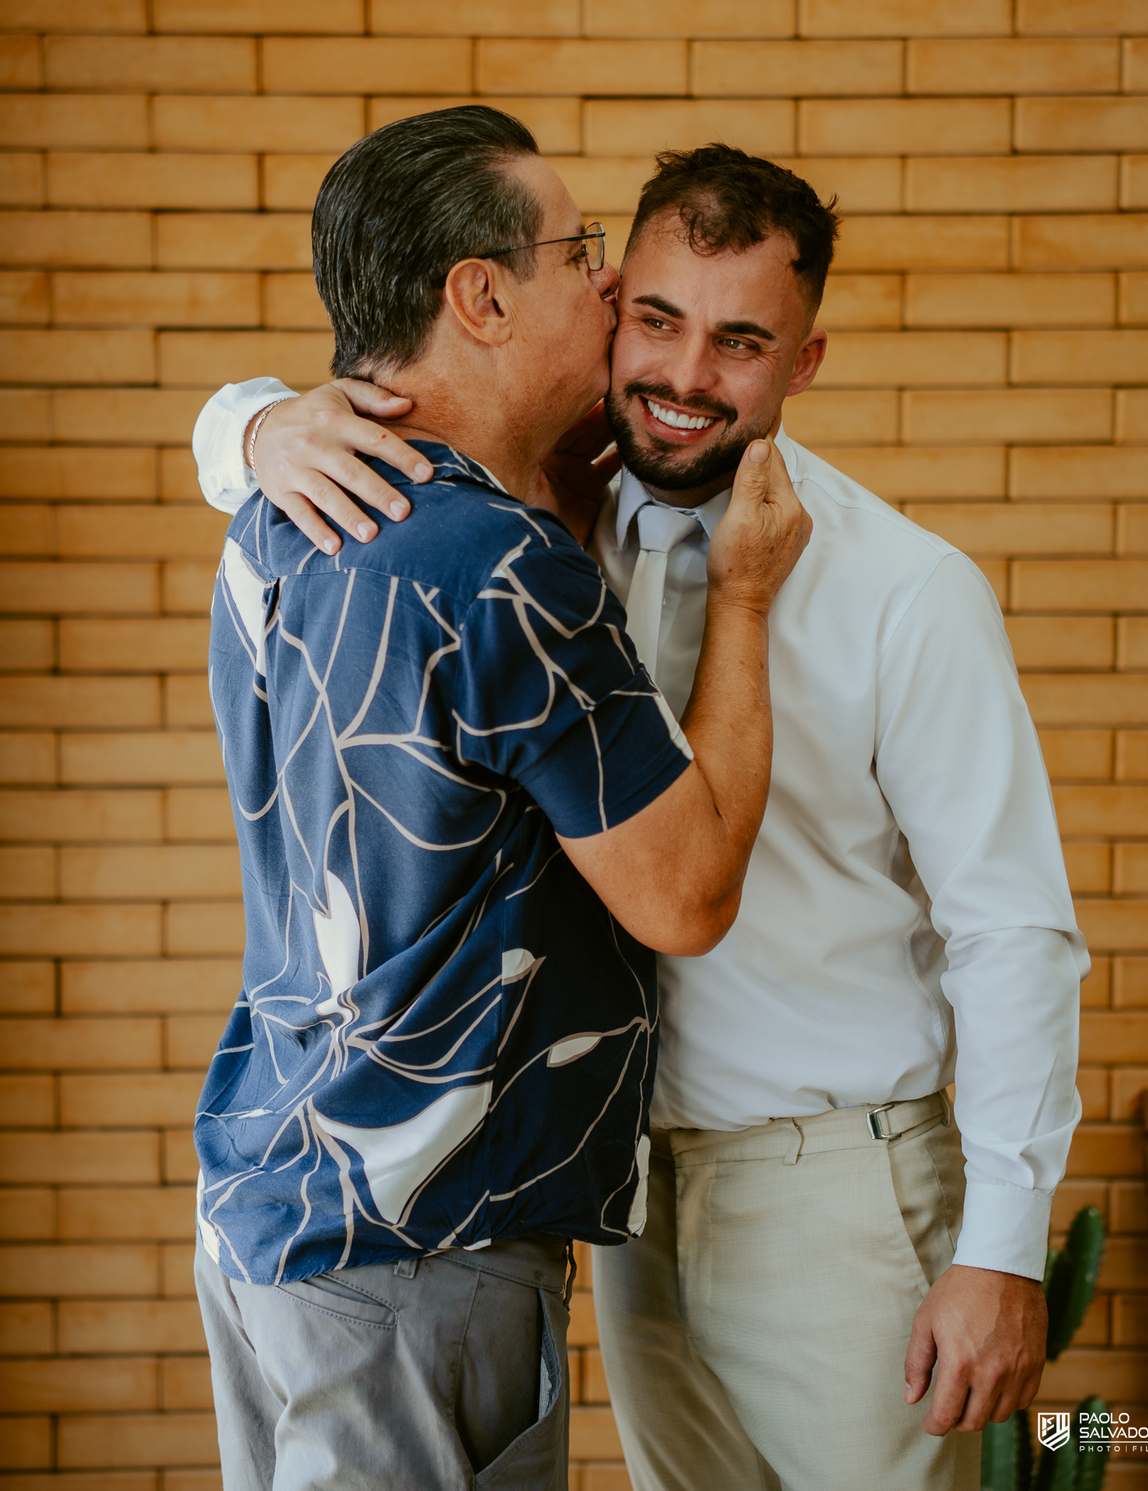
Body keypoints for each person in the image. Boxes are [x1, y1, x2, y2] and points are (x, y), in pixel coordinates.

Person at [194, 141, 1086, 1491]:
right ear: (600, 316)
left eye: (739, 342)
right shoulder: (523, 528)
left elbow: (1013, 932)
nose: (681, 376)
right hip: (617, 1199)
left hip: (830, 1196)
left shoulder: (908, 592)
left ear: (806, 359)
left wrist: (1005, 1246)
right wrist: (252, 425)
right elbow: (359, 417)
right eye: (651, 317)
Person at [191, 111, 807, 1491]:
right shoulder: (497, 564)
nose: (602, 287)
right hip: (420, 1251)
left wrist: (244, 420)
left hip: (268, 1202)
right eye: (577, 254)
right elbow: (688, 890)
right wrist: (747, 599)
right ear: (478, 295)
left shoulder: (283, 507)